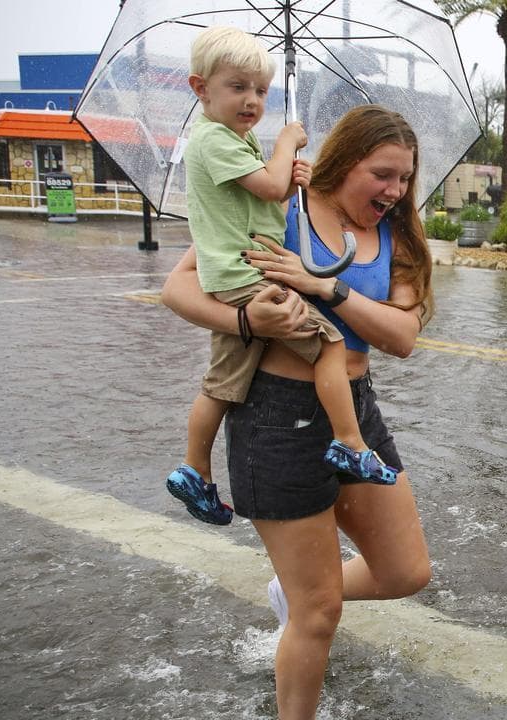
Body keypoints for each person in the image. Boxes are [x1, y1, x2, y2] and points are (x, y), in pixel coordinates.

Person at [161, 104, 433, 719]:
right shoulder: (278, 205)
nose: (395, 191)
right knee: (320, 614)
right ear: (344, 161)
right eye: (382, 174)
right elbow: (177, 288)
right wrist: (244, 317)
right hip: (276, 416)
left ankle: (295, 588)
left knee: (406, 570)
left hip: (354, 409)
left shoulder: (399, 236)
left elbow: (400, 335)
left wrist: (324, 286)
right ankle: (306, 613)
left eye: (405, 178)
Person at [167, 26, 397, 529]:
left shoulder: (237, 142)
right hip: (248, 276)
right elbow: (269, 190)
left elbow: (266, 190)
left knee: (221, 386)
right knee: (330, 343)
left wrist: (289, 175)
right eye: (238, 88)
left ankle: (194, 469)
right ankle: (350, 443)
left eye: (261, 90)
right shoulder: (217, 141)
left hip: (240, 274)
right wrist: (287, 143)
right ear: (200, 88)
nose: (252, 101)